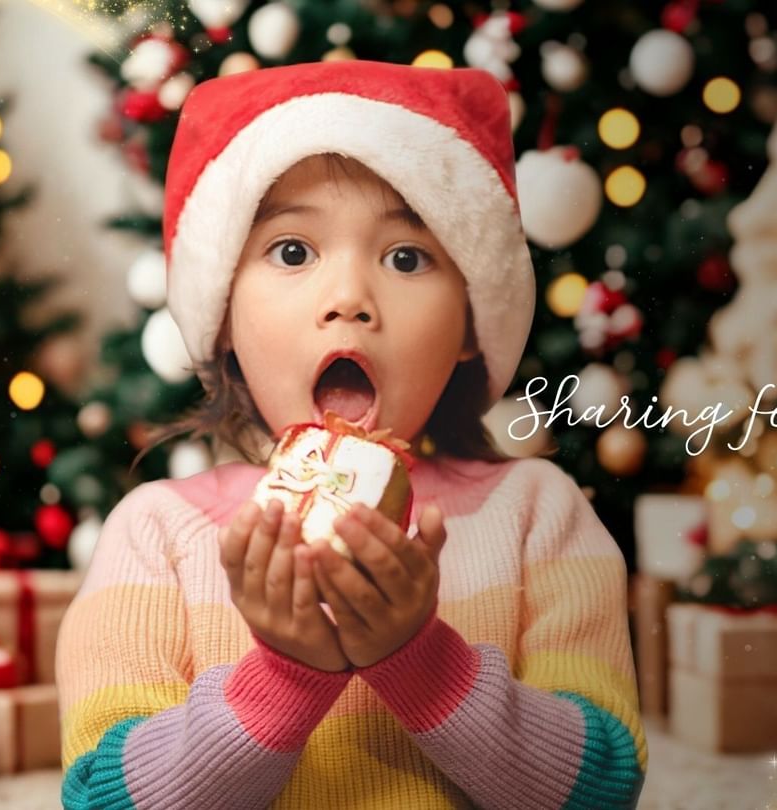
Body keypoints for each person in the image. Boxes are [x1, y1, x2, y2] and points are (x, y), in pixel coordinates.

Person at [56, 59, 646, 808]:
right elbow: (103, 800)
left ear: (469, 321)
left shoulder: (540, 516)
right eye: (292, 251)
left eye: (407, 257)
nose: (348, 299)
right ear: (224, 312)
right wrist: (284, 674)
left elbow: (602, 789)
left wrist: (417, 658)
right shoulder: (157, 535)